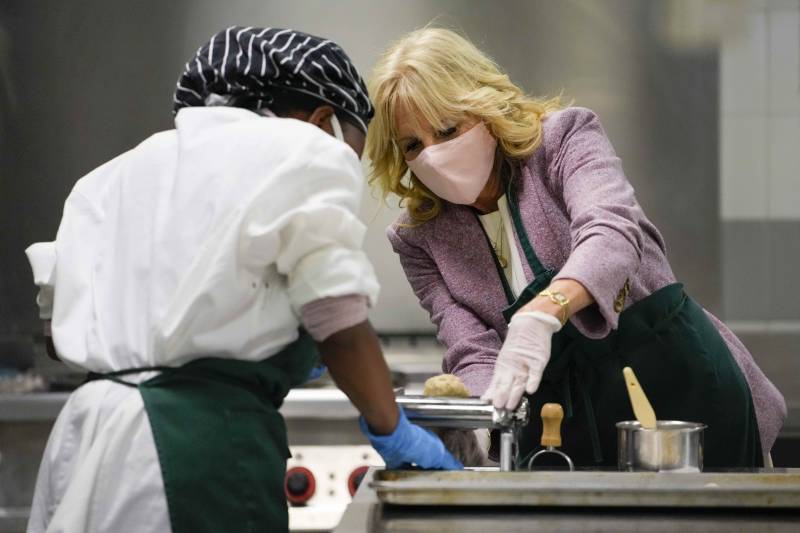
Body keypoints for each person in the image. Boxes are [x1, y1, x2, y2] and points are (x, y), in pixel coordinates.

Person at [24, 26, 460, 533]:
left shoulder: (107, 178)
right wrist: (392, 430)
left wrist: (245, 327)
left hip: (85, 445)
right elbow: (336, 317)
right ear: (324, 120)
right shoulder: (301, 151)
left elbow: (61, 335)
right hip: (195, 453)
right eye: (353, 148)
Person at [365, 27, 786, 468]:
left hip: (684, 391)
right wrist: (478, 422)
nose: (433, 154)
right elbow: (473, 348)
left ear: (483, 106)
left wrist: (546, 310)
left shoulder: (562, 141)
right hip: (568, 428)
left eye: (447, 129)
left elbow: (614, 230)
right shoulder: (418, 237)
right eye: (413, 144)